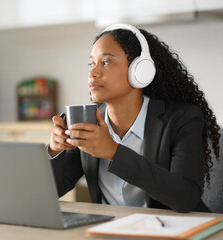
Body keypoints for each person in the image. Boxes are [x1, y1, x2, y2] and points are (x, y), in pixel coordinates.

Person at [48, 23, 220, 213]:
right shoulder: (88, 119)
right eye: (92, 63)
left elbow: (185, 197)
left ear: (140, 71)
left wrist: (114, 153)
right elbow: (53, 190)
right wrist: (55, 151)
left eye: (106, 62)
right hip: (111, 231)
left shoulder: (182, 118)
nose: (92, 72)